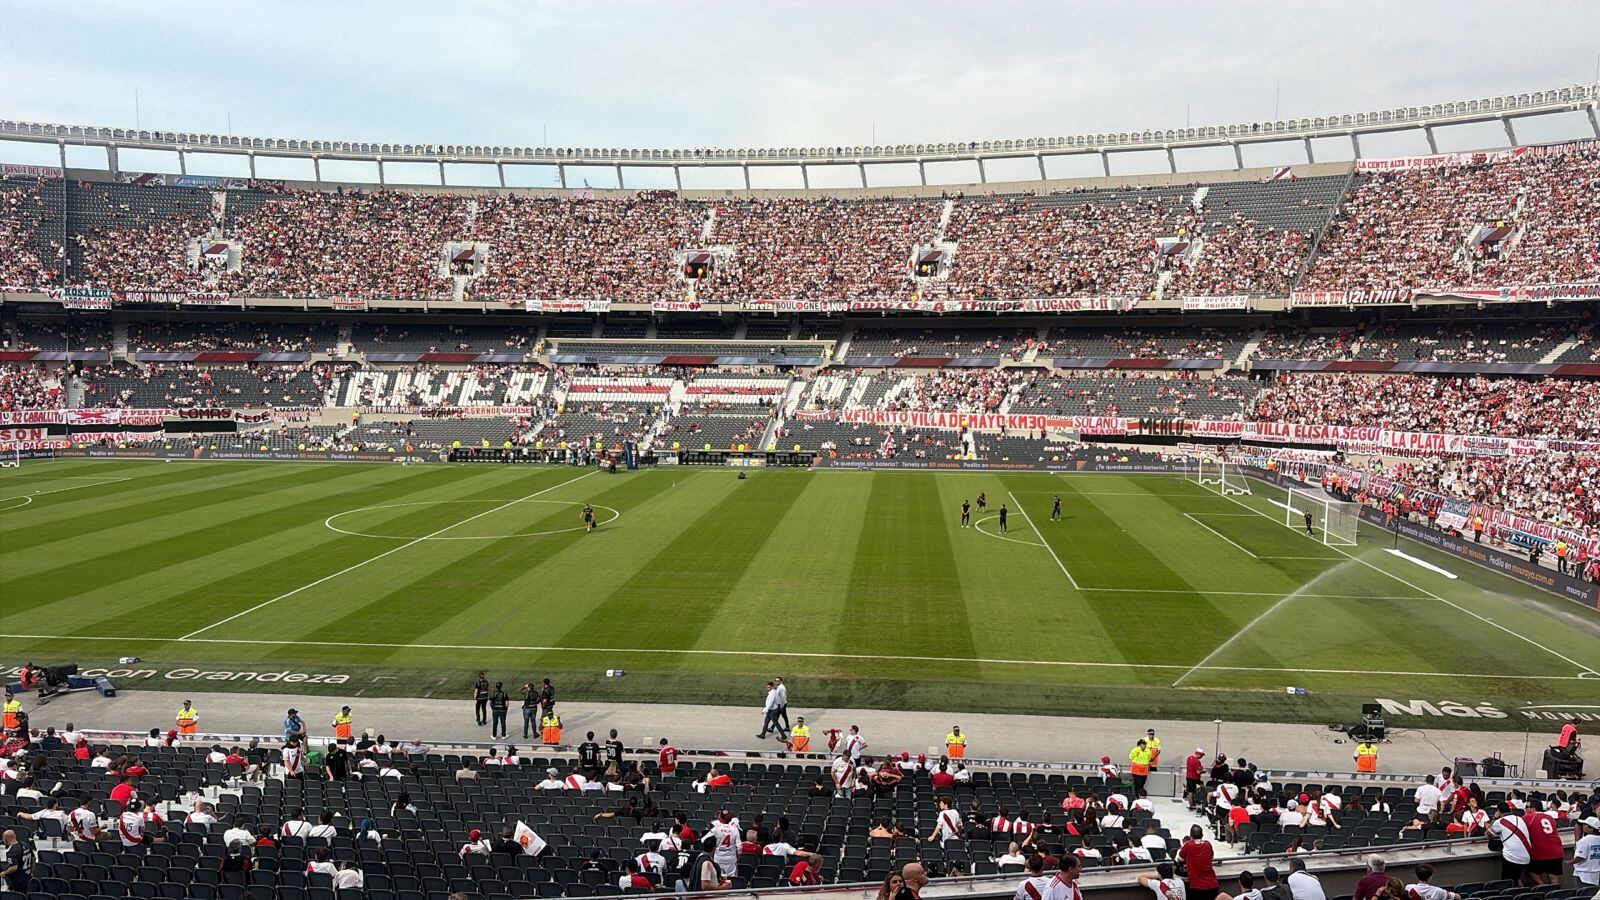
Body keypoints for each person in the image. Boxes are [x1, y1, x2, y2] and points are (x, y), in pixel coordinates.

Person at [1177, 825, 1218, 900]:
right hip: (1213, 886)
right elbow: (1211, 856)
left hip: (1197, 888)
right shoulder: (1208, 844)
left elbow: (1180, 859)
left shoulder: (1188, 845)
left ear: (1190, 836)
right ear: (1202, 835)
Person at [1572, 815, 1600, 888]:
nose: (1583, 826)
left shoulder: (1584, 840)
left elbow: (1580, 857)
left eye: (1585, 825)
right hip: (1596, 873)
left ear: (1591, 828)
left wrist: (1569, 862)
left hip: (1583, 874)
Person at [1, 829, 33, 894]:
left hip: (17, 881)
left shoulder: (12, 852)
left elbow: (13, 868)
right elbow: (33, 858)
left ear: (5, 839)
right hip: (26, 877)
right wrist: (31, 871)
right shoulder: (25, 845)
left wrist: (4, 873)